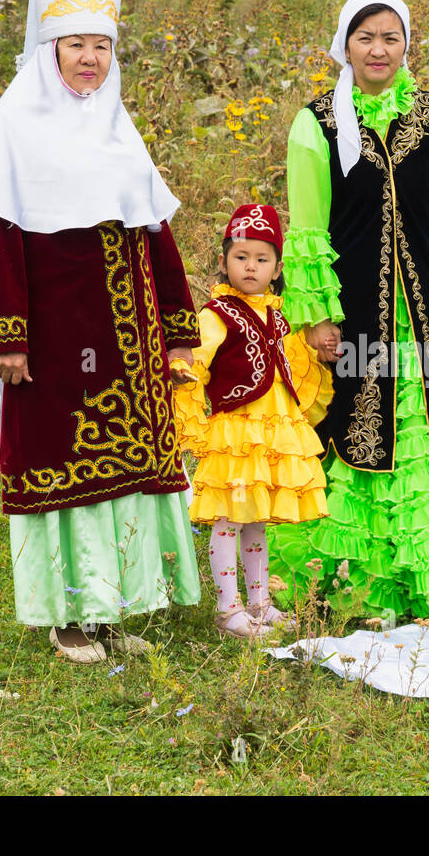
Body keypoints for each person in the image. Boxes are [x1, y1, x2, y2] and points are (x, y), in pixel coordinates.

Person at [0, 0, 201, 664]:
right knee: (62, 462)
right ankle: (66, 616)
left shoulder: (119, 128)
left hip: (127, 335)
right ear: (49, 47)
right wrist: (8, 334)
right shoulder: (12, 126)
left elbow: (156, 232)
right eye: (76, 45)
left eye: (102, 45)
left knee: (123, 470)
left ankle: (111, 606)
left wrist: (180, 329)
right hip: (53, 334)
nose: (90, 58)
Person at [268, 0, 429, 631]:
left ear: (407, 44)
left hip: (428, 313)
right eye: (365, 38)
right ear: (344, 47)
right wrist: (316, 314)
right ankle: (357, 592)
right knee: (354, 428)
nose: (378, 50)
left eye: (391, 38)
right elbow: (307, 230)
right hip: (354, 317)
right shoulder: (316, 123)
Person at [172, 204, 333, 638]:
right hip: (236, 434)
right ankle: (228, 609)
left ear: (277, 268)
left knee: (257, 519)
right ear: (224, 261)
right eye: (241, 257)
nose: (251, 266)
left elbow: (294, 363)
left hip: (271, 434)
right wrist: (184, 375)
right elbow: (196, 360)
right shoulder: (215, 313)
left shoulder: (281, 315)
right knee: (229, 519)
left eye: (262, 259)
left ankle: (259, 602)